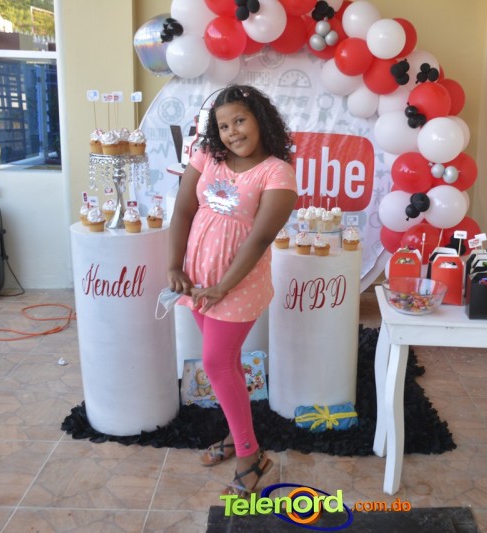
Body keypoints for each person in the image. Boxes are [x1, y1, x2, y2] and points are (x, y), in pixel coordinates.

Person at [167, 84, 298, 498]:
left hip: (237, 286)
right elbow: (183, 210)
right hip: (199, 282)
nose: (232, 132)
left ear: (260, 119)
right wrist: (174, 266)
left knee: (216, 362)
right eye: (223, 126)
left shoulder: (277, 172)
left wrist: (223, 287)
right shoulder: (207, 156)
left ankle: (250, 458)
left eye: (240, 120)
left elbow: (259, 239)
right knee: (227, 366)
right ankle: (235, 436)